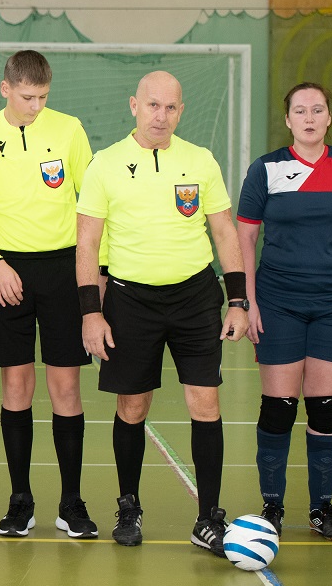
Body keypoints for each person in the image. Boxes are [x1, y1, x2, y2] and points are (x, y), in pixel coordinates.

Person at [76, 70, 248, 556]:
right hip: (130, 301)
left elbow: (224, 231)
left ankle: (208, 517)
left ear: (181, 111)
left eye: (171, 107)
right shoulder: (106, 164)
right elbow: (87, 242)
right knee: (133, 406)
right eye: (153, 105)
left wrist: (238, 301)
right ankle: (128, 506)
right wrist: (91, 313)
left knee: (205, 403)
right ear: (134, 106)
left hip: (195, 297)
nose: (161, 116)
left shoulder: (200, 159)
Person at [0, 50, 98, 539]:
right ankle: (20, 500)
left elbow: (91, 206)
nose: (36, 106)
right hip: (7, 271)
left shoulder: (70, 129)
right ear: (5, 89)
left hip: (64, 270)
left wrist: (95, 273)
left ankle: (71, 502)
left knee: (66, 388)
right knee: (16, 387)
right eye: (27, 97)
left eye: (42, 97)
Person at [236, 83, 332, 540]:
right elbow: (244, 237)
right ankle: (272, 507)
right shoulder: (266, 169)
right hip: (278, 302)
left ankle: (321, 509)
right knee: (279, 408)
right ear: (288, 120)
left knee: (327, 409)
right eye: (300, 111)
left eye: (317, 110)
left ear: (329, 117)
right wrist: (248, 300)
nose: (309, 117)